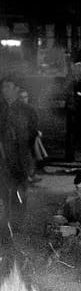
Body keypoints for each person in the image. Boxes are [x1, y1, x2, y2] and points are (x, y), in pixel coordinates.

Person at [0, 75, 37, 244]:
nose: (4, 90)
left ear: (15, 89)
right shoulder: (1, 109)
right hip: (3, 159)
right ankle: (6, 229)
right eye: (3, 87)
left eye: (8, 87)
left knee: (19, 195)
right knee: (4, 195)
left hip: (19, 160)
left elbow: (32, 135)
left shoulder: (26, 110)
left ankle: (18, 229)